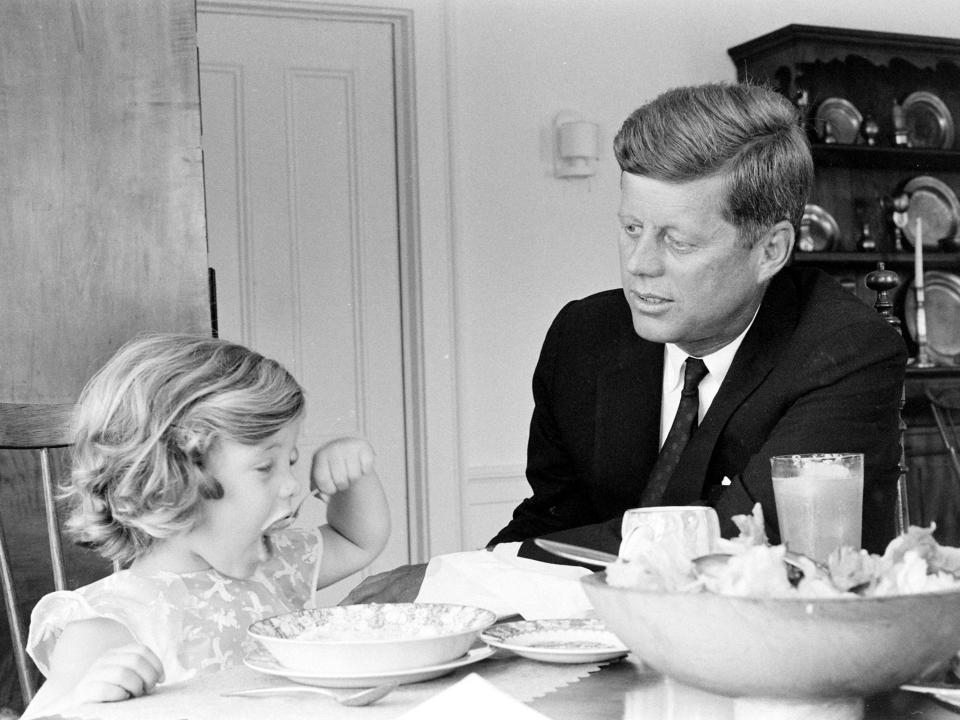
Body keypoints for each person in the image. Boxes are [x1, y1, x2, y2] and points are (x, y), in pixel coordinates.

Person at [343, 81, 906, 604]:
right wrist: (452, 592)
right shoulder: (582, 337)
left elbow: (732, 550)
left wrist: (462, 580)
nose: (639, 266)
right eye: (631, 228)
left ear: (770, 251)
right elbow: (554, 521)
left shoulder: (846, 350)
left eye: (677, 241)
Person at [23, 334, 390, 717]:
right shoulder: (110, 625)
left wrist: (353, 474)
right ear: (170, 482)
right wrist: (84, 700)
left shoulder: (273, 567)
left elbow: (357, 539)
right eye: (266, 466)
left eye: (291, 461)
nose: (291, 485)